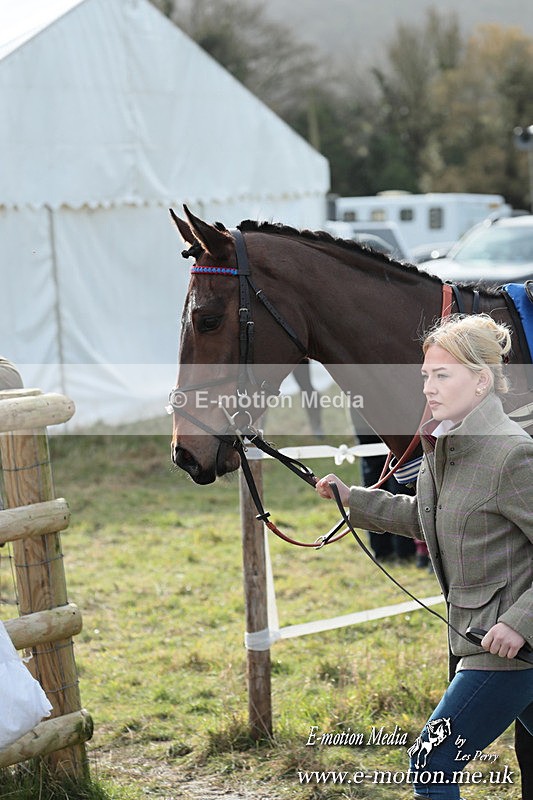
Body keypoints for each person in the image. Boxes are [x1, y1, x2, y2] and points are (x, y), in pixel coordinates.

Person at [315, 314, 533, 800]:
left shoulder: (513, 455)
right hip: (475, 636)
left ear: (481, 380)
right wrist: (353, 499)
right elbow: (432, 519)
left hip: (510, 650)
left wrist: (521, 621)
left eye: (443, 375)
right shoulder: (443, 446)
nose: (429, 388)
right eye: (425, 376)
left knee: (431, 761)